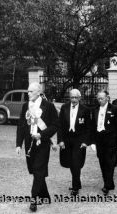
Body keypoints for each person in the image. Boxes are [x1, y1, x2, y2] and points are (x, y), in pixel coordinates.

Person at [16, 82, 59, 212]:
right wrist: (18, 144)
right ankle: (45, 196)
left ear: (39, 92)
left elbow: (55, 125)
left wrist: (41, 135)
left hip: (42, 143)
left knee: (38, 170)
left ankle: (33, 200)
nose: (28, 93)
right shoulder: (26, 106)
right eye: (28, 91)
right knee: (35, 171)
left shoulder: (49, 106)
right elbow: (21, 126)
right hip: (30, 144)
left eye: (31, 91)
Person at [57, 89, 91, 196]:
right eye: (72, 97)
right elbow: (60, 126)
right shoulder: (64, 107)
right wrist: (60, 140)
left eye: (76, 97)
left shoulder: (85, 109)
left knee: (76, 163)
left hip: (79, 140)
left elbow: (88, 128)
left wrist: (86, 141)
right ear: (69, 98)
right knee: (70, 163)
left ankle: (75, 187)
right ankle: (77, 182)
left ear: (80, 98)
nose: (74, 100)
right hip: (67, 140)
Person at [90, 90, 117, 195]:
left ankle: (106, 185)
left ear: (107, 98)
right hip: (99, 140)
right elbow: (92, 127)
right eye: (98, 98)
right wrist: (93, 142)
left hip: (111, 140)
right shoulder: (95, 109)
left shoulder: (115, 109)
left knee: (109, 163)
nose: (100, 100)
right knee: (102, 162)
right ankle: (109, 182)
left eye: (102, 98)